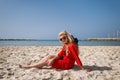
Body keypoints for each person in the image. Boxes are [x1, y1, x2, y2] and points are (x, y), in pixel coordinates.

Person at [19, 30, 90, 72]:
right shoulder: (66, 45)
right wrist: (53, 59)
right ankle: (39, 64)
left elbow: (76, 57)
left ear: (67, 37)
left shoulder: (71, 45)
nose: (63, 40)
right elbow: (59, 54)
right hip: (64, 59)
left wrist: (82, 68)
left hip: (67, 64)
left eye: (64, 38)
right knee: (50, 56)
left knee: (48, 61)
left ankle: (29, 66)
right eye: (61, 39)